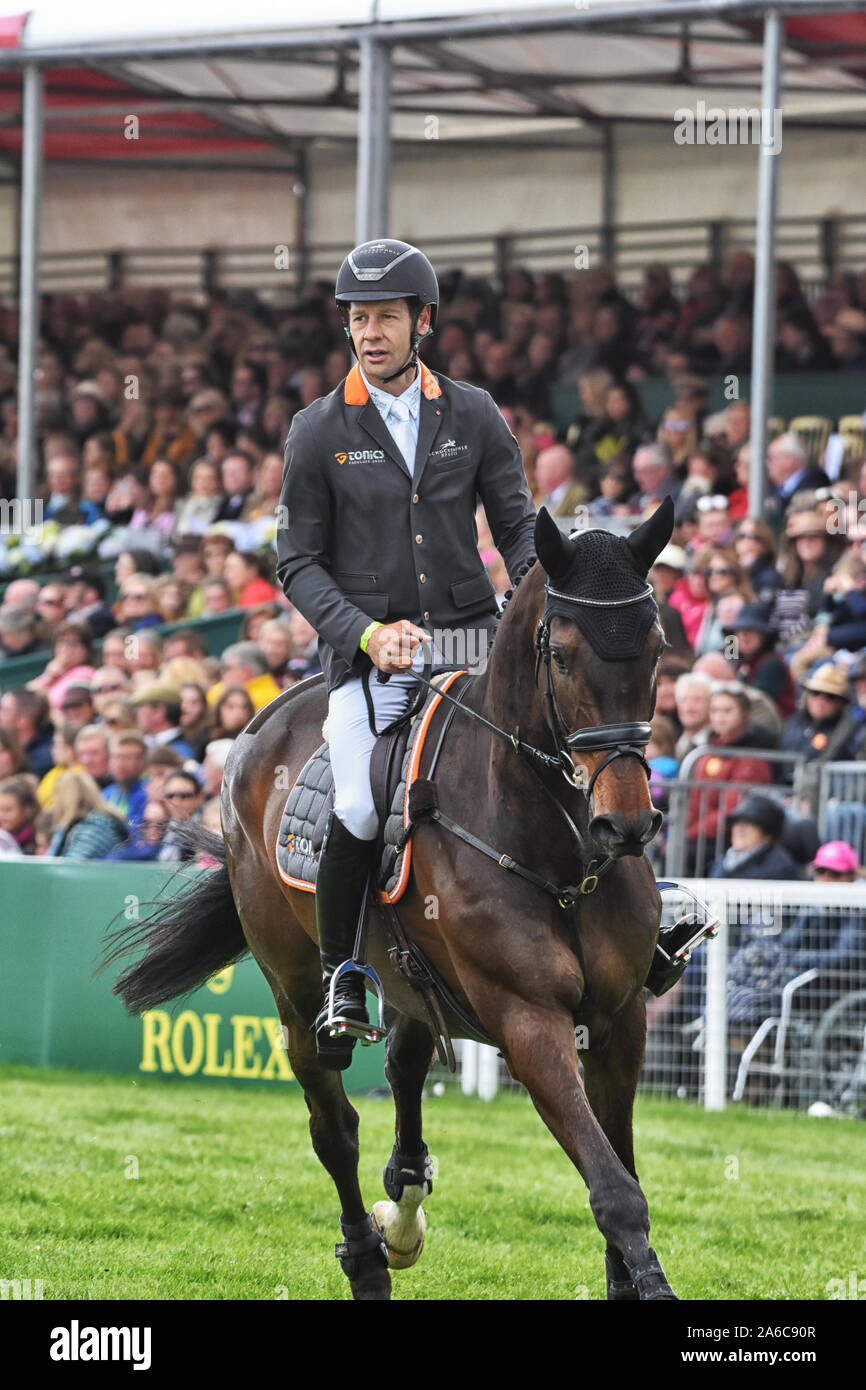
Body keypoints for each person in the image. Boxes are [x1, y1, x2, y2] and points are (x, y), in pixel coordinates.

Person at [276, 238, 536, 1067]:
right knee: (358, 801)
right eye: (358, 318)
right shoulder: (318, 430)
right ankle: (344, 973)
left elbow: (519, 529)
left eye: (386, 316)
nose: (370, 333)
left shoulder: (475, 413)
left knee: (564, 751)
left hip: (472, 636)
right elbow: (296, 562)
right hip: (371, 657)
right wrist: (365, 633)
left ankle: (632, 915)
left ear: (422, 322)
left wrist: (540, 599)